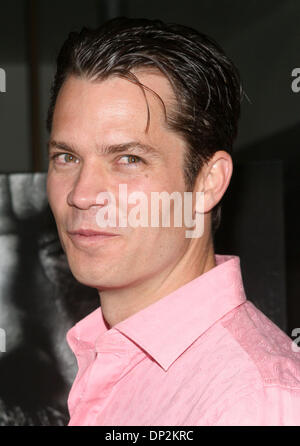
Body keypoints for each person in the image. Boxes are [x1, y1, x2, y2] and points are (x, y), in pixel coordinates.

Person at [46, 17, 300, 426]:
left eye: (128, 159)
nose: (81, 194)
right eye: (67, 157)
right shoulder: (110, 359)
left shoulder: (254, 402)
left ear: (208, 181)